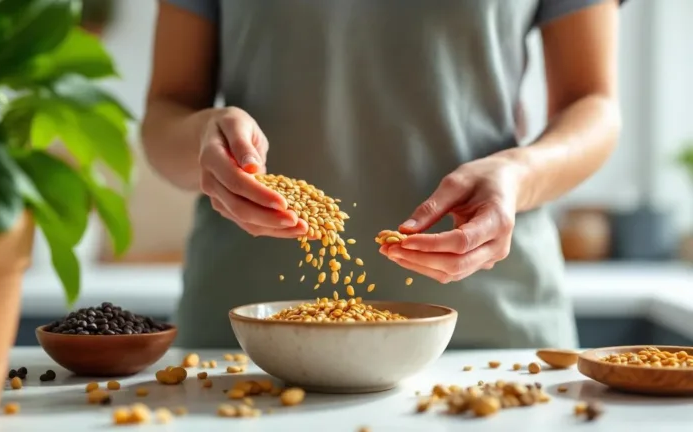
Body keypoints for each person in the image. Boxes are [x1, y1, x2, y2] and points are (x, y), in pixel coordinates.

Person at [142, 0, 625, 349]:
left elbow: (594, 104)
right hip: (247, 338)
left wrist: (517, 174)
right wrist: (205, 139)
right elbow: (166, 115)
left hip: (489, 332)